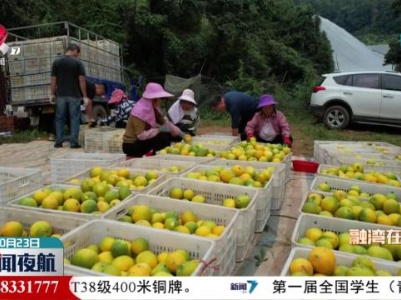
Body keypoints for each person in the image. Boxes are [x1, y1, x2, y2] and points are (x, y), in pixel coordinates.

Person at [122, 83, 185, 157]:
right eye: (159, 99)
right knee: (162, 137)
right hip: (131, 145)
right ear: (153, 99)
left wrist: (181, 134)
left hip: (140, 142)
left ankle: (164, 155)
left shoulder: (152, 109)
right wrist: (159, 129)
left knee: (169, 134)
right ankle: (159, 158)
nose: (160, 101)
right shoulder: (139, 111)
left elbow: (165, 122)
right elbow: (141, 135)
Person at [50, 43, 88, 148]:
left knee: (59, 118)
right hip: (74, 95)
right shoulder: (78, 63)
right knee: (74, 118)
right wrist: (84, 96)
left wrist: (52, 94)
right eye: (78, 53)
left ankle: (59, 141)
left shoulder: (57, 62)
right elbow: (81, 80)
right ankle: (74, 142)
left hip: (60, 95)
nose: (78, 55)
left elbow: (53, 80)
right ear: (74, 50)